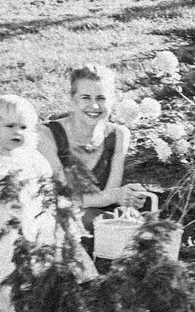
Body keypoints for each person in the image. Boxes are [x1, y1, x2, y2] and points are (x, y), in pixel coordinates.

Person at [0, 93, 66, 312]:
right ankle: (0, 311)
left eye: (23, 127)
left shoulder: (34, 159)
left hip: (30, 225)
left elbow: (47, 188)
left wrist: (53, 218)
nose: (17, 132)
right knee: (0, 269)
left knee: (32, 265)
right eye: (9, 126)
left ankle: (31, 308)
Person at [39, 65, 141, 218]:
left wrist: (130, 197)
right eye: (85, 97)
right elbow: (63, 197)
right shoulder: (47, 134)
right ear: (72, 99)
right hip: (56, 219)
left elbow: (109, 198)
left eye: (101, 98)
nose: (94, 106)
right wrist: (115, 196)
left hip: (98, 219)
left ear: (112, 100)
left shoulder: (119, 135)